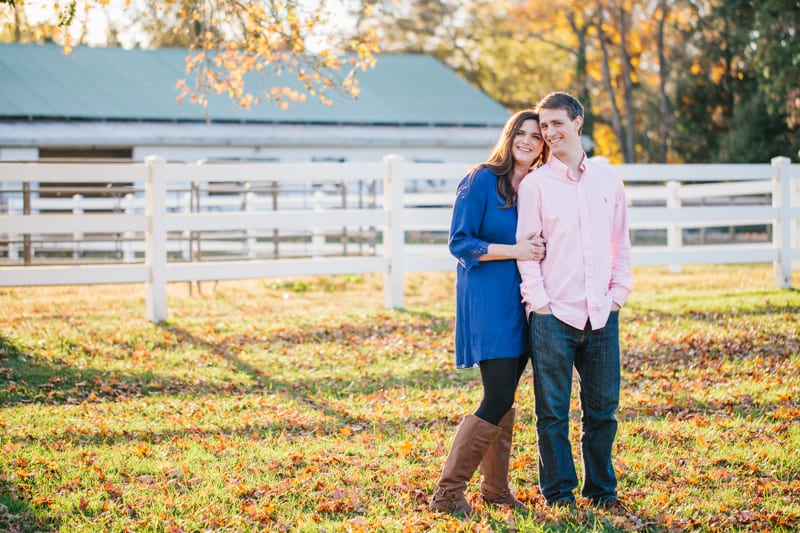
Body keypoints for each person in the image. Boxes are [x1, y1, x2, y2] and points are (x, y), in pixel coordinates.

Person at [515, 92, 633, 510]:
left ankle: (602, 491)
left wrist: (619, 294)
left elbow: (621, 243)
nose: (549, 133)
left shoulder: (608, 180)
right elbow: (526, 250)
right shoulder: (535, 185)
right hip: (554, 316)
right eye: (544, 126)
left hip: (602, 313)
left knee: (603, 413)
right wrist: (540, 304)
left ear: (578, 122)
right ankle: (559, 493)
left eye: (556, 124)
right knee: (552, 415)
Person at [429, 109, 550, 516]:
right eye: (523, 133)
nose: (529, 141)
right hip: (488, 302)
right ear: (510, 135)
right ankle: (448, 492)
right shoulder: (481, 179)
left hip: (526, 302)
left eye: (537, 136)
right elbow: (460, 243)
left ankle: (495, 490)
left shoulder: (537, 186)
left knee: (504, 397)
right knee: (497, 394)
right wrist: (515, 251)